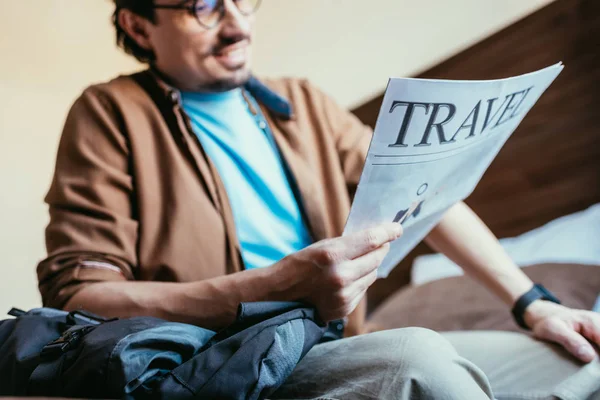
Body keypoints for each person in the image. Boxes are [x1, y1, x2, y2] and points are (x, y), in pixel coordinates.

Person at [37, 0, 600, 398]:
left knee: (578, 362)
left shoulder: (302, 102)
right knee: (416, 362)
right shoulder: (108, 114)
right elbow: (81, 293)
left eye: (241, 0)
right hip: (230, 363)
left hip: (346, 344)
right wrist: (274, 286)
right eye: (202, 5)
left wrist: (534, 304)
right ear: (138, 24)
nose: (236, 24)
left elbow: (429, 197)